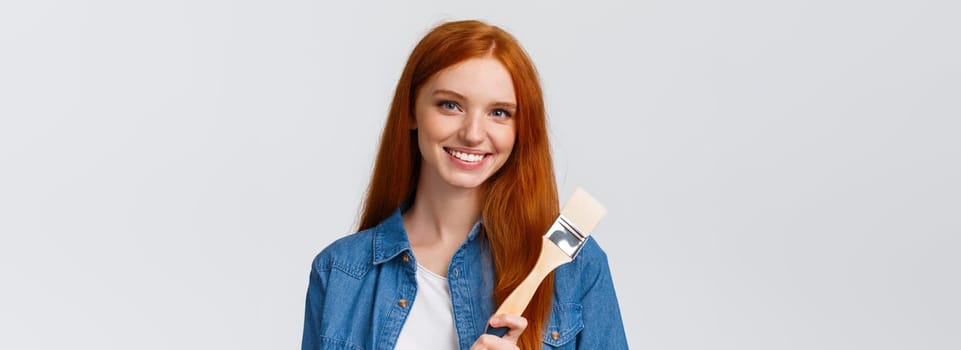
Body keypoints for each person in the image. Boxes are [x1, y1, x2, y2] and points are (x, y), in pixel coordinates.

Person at [301, 20, 628, 350]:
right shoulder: (339, 272)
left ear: (520, 129)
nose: (473, 133)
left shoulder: (576, 266)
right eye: (450, 105)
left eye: (499, 112)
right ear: (411, 111)